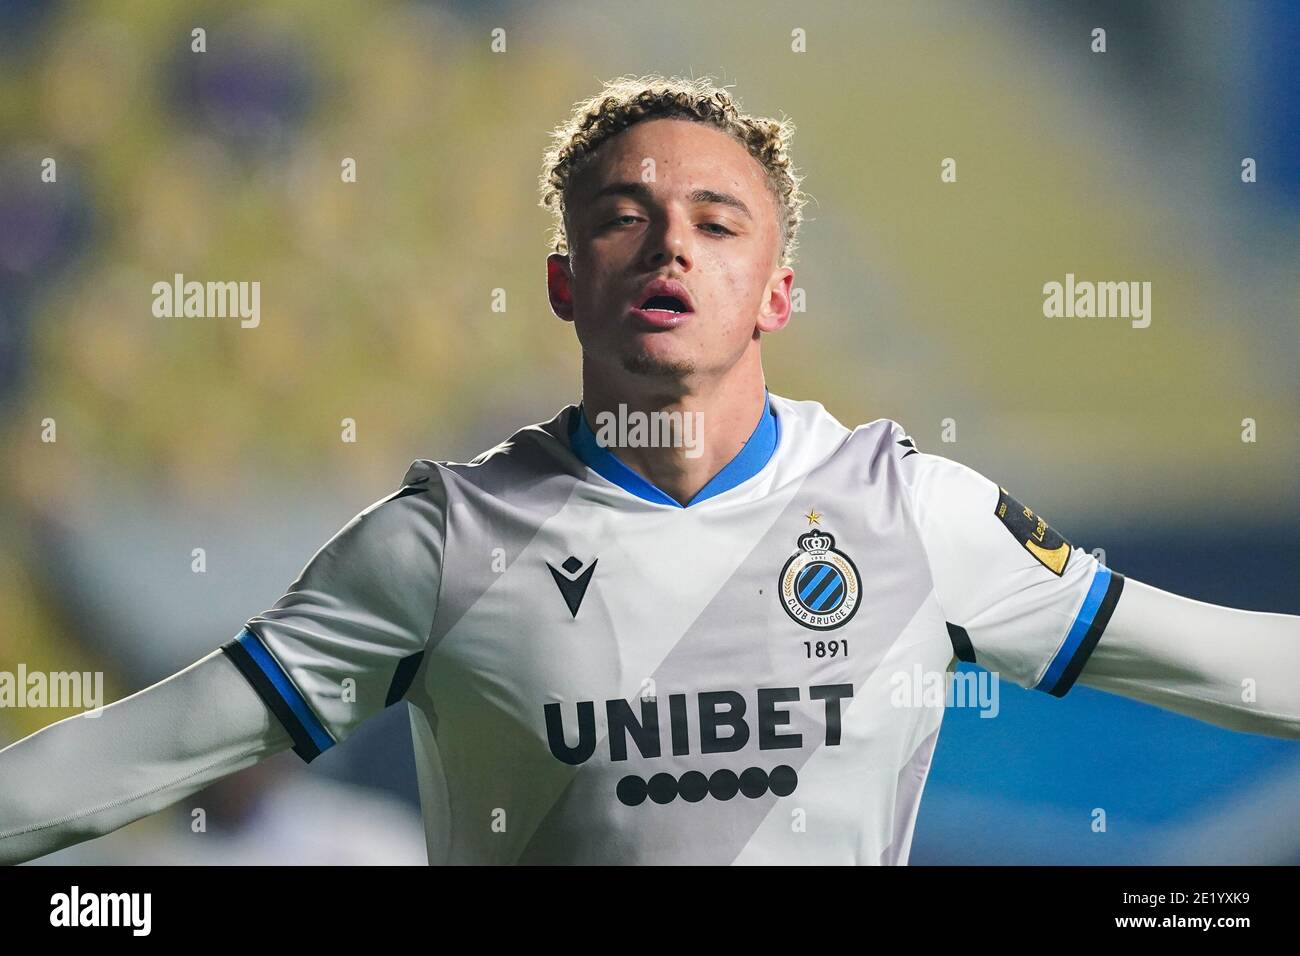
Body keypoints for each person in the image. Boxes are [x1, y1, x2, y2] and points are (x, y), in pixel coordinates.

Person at [2, 75, 1297, 866]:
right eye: (624, 218)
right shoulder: (440, 548)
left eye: (717, 221)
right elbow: (129, 760)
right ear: (570, 282)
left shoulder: (918, 518)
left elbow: (1228, 662)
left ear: (778, 287)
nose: (670, 247)